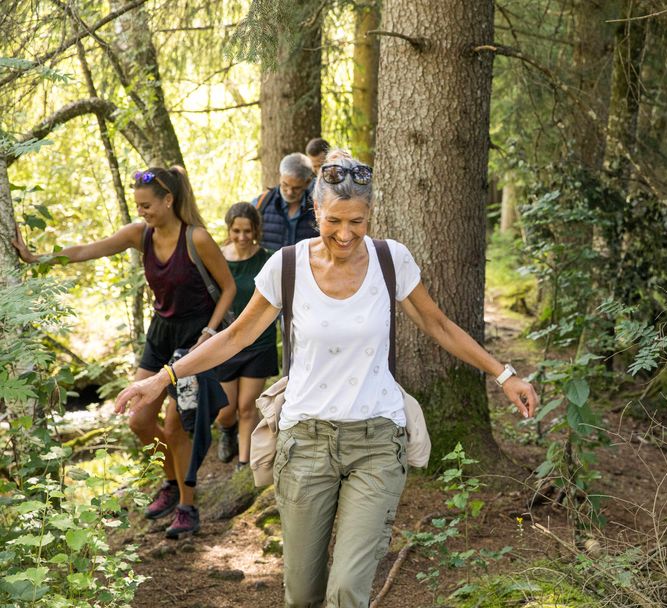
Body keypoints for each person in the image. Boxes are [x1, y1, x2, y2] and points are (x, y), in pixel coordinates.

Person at [114, 149, 539, 607]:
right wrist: (162, 378)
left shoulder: (390, 260)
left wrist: (503, 373)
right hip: (305, 443)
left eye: (356, 221)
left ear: (370, 214)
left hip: (377, 440)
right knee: (302, 595)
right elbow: (235, 336)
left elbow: (439, 325)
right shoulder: (287, 266)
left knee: (347, 590)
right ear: (316, 210)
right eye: (333, 220)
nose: (344, 234)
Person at [13, 166, 236, 539]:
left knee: (177, 425)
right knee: (138, 420)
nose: (142, 212)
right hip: (160, 333)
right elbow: (89, 249)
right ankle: (170, 482)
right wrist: (37, 258)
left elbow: (228, 288)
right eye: (138, 206)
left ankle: (187, 505)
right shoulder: (140, 234)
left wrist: (210, 333)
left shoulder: (197, 239)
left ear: (169, 200)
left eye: (148, 205)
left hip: (195, 339)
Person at [214, 203, 279, 467]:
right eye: (236, 231)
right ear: (229, 230)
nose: (242, 237)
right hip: (226, 342)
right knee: (226, 410)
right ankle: (226, 430)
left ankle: (244, 461)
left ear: (256, 230)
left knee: (247, 407)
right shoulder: (216, 258)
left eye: (247, 231)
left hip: (259, 342)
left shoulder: (267, 259)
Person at [253, 152, 318, 252]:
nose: (289, 192)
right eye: (285, 185)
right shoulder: (261, 202)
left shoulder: (318, 209)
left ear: (307, 182)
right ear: (280, 177)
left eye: (296, 188)